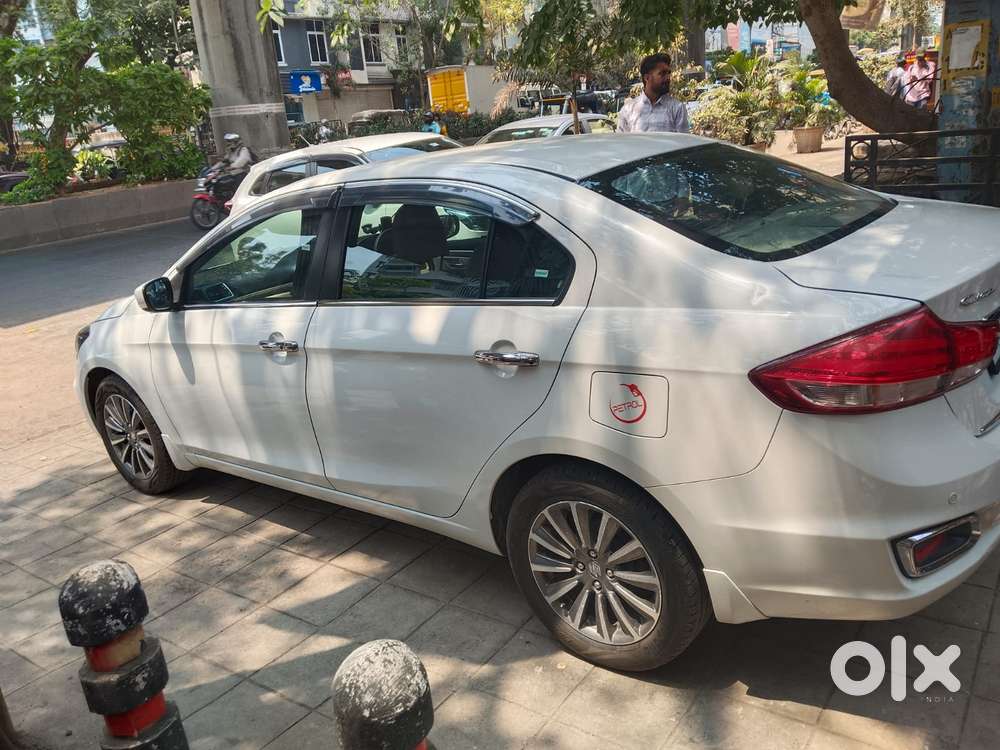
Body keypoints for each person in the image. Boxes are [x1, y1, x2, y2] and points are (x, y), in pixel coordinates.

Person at [617, 52, 689, 134]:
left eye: (669, 73)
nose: (668, 78)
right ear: (647, 78)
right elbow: (622, 143)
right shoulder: (628, 110)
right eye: (662, 74)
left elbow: (685, 143)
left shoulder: (677, 108)